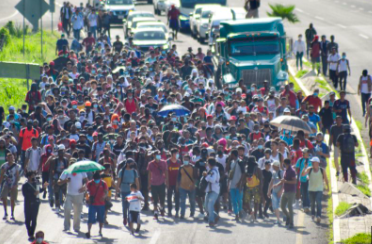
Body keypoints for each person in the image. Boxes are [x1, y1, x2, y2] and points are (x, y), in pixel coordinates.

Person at [58, 158, 87, 232]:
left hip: (79, 195)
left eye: (73, 163)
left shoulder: (81, 171)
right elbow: (59, 182)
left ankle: (76, 227)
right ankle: (67, 227)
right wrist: (66, 180)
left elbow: (87, 181)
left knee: (77, 212)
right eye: (71, 163)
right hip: (69, 194)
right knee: (67, 209)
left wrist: (84, 187)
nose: (72, 165)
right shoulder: (66, 171)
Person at [301, 157, 329, 223]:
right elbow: (303, 174)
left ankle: (318, 215)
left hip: (319, 189)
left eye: (314, 162)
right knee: (312, 203)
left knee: (318, 201)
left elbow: (325, 179)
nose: (313, 163)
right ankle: (313, 214)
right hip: (311, 189)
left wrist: (328, 187)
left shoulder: (322, 170)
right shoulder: (309, 169)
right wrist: (304, 167)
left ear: (317, 163)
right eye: (312, 162)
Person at [22, 171, 48, 241]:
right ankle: (29, 231)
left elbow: (39, 190)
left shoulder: (35, 183)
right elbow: (25, 195)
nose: (34, 177)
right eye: (33, 175)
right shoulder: (25, 185)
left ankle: (31, 234)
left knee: (34, 219)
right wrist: (33, 194)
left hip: (35, 204)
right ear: (29, 177)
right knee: (27, 220)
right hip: (27, 204)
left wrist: (44, 187)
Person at [116, 158, 139, 226]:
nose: (132, 164)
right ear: (127, 164)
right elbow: (119, 181)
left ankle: (129, 219)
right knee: (124, 205)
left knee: (130, 206)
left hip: (131, 191)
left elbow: (136, 181)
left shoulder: (134, 171)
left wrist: (137, 190)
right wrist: (117, 189)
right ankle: (125, 217)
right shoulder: (122, 171)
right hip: (123, 190)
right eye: (131, 163)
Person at [86, 172, 108, 238]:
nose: (96, 182)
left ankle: (100, 230)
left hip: (101, 204)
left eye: (97, 180)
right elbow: (87, 192)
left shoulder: (103, 183)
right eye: (95, 180)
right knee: (90, 218)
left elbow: (106, 192)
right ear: (93, 179)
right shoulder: (89, 183)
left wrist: (104, 197)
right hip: (92, 204)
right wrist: (88, 197)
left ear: (100, 179)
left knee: (101, 219)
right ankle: (89, 231)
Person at [147, 150, 167, 219]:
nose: (158, 156)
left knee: (162, 199)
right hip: (153, 183)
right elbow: (149, 174)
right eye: (157, 155)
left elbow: (166, 172)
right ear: (154, 156)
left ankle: (162, 208)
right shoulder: (150, 164)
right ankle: (155, 213)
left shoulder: (164, 162)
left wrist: (166, 181)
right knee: (155, 199)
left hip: (161, 183)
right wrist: (149, 184)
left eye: (159, 154)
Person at [0, 153, 20, 220]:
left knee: (12, 199)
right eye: (9, 157)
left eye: (11, 157)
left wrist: (16, 184)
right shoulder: (4, 166)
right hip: (6, 183)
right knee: (3, 197)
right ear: (7, 158)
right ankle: (5, 212)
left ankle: (12, 213)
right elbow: (2, 175)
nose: (10, 159)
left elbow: (17, 176)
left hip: (13, 184)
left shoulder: (16, 166)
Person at [243, 156, 262, 222]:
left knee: (256, 202)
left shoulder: (257, 169)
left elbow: (261, 179)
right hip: (248, 187)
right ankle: (251, 212)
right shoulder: (246, 168)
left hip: (256, 187)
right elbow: (244, 178)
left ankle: (255, 216)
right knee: (246, 202)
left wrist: (260, 188)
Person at [227, 149, 245, 221]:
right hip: (232, 184)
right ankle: (236, 214)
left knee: (239, 199)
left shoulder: (240, 162)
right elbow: (229, 172)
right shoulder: (232, 162)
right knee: (233, 200)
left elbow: (243, 173)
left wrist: (240, 183)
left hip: (238, 185)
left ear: (233, 155)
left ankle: (240, 210)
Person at [177, 154, 196, 219]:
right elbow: (178, 177)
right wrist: (178, 186)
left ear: (189, 160)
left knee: (192, 201)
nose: (185, 161)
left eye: (186, 159)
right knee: (182, 200)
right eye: (184, 159)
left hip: (191, 187)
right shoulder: (181, 168)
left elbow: (195, 177)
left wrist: (193, 185)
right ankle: (182, 214)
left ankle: (192, 212)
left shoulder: (193, 167)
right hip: (182, 187)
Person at [203, 158, 220, 227]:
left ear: (209, 164)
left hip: (214, 191)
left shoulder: (214, 171)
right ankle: (215, 215)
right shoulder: (211, 169)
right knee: (206, 206)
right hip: (209, 190)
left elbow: (212, 180)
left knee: (210, 205)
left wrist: (206, 176)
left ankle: (211, 221)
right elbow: (207, 168)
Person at [281, 158, 297, 229]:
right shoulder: (285, 170)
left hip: (291, 191)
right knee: (282, 206)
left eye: (283, 163)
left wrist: (286, 181)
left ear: (285, 163)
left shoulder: (292, 171)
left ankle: (291, 223)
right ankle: (288, 217)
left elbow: (294, 181)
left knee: (290, 207)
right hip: (285, 191)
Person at [165, 148, 181, 217]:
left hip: (177, 183)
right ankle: (169, 211)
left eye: (177, 153)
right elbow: (166, 173)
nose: (177, 155)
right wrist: (167, 183)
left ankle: (177, 211)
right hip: (169, 182)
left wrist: (179, 183)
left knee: (177, 198)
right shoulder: (167, 162)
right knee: (169, 198)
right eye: (176, 153)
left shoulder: (179, 162)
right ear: (172, 154)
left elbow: (180, 173)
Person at [267, 161, 283, 225]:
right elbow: (271, 182)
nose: (272, 166)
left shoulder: (281, 172)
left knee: (282, 206)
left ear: (276, 166)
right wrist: (269, 191)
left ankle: (285, 217)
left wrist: (280, 191)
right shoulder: (273, 172)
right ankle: (278, 219)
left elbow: (283, 182)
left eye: (273, 165)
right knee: (275, 206)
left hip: (280, 192)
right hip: (274, 191)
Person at [295, 148, 311, 212]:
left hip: (309, 179)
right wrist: (296, 175)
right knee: (303, 193)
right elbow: (297, 168)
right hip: (302, 179)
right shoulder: (300, 160)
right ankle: (305, 206)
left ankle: (307, 206)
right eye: (303, 152)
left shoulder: (311, 160)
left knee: (308, 192)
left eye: (305, 152)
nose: (304, 153)